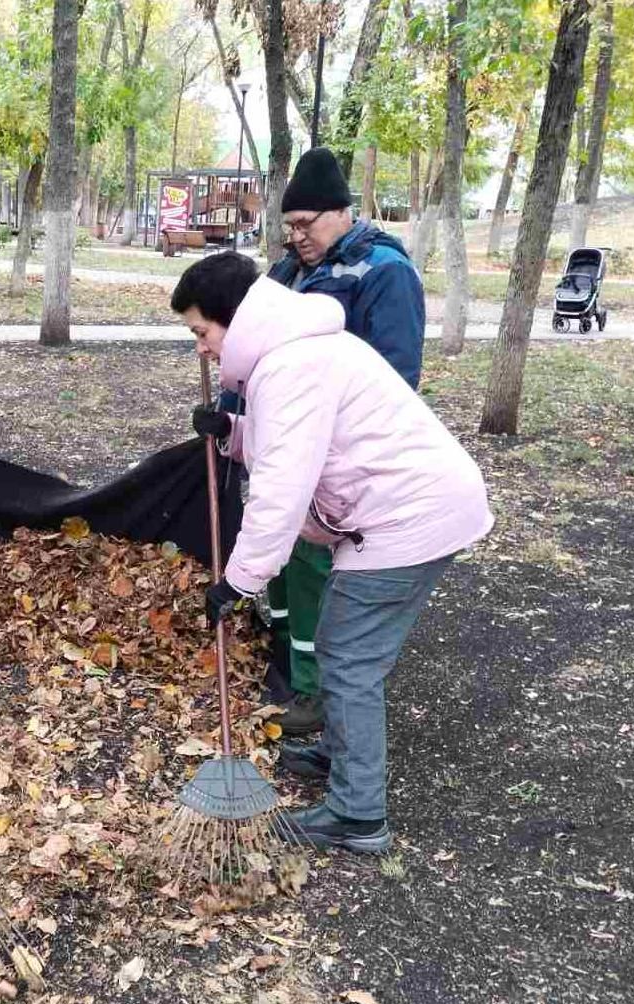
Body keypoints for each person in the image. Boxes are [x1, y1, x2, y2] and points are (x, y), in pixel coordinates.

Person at [173, 252, 491, 853]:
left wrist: (237, 583)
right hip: (403, 510)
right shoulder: (291, 354)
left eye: (202, 332)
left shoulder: (290, 366)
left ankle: (357, 814)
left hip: (407, 519)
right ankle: (341, 751)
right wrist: (234, 434)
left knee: (347, 659)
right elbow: (302, 444)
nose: (202, 349)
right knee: (343, 649)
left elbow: (281, 490)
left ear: (233, 320)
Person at [258, 147, 429, 739]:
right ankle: (283, 653)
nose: (296, 236)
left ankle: (315, 688)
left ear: (343, 213)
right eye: (289, 226)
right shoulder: (289, 272)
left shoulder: (385, 272)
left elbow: (396, 377)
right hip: (288, 439)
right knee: (280, 557)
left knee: (312, 562)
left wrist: (328, 438)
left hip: (336, 455)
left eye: (306, 224)